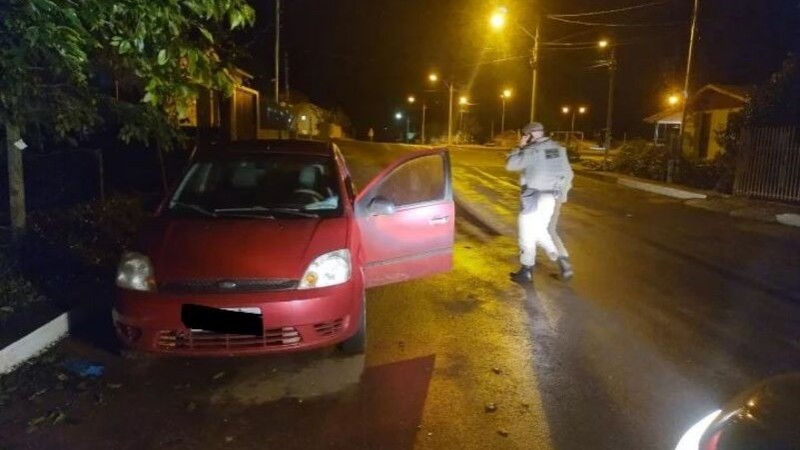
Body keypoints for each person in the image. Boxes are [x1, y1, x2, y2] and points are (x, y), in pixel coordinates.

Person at [505, 122, 574, 283]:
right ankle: (561, 260)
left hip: (533, 198)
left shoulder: (531, 151)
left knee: (527, 235)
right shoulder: (558, 149)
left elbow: (510, 165)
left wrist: (519, 147)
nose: (523, 138)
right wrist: (561, 196)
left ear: (530, 135)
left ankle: (526, 271)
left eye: (525, 135)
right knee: (540, 231)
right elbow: (569, 174)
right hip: (551, 198)